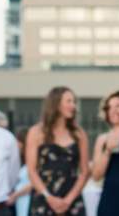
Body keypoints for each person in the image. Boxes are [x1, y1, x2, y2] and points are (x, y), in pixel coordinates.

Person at [26, 87, 88, 216]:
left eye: (74, 102)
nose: (73, 106)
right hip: (44, 199)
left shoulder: (79, 133)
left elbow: (84, 171)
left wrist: (68, 200)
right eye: (69, 101)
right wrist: (49, 197)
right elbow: (31, 171)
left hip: (72, 198)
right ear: (56, 104)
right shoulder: (36, 132)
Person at [7, 129, 31, 216]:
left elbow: (33, 184)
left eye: (17, 141)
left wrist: (15, 195)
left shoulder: (32, 160)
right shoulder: (19, 159)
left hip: (28, 200)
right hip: (19, 201)